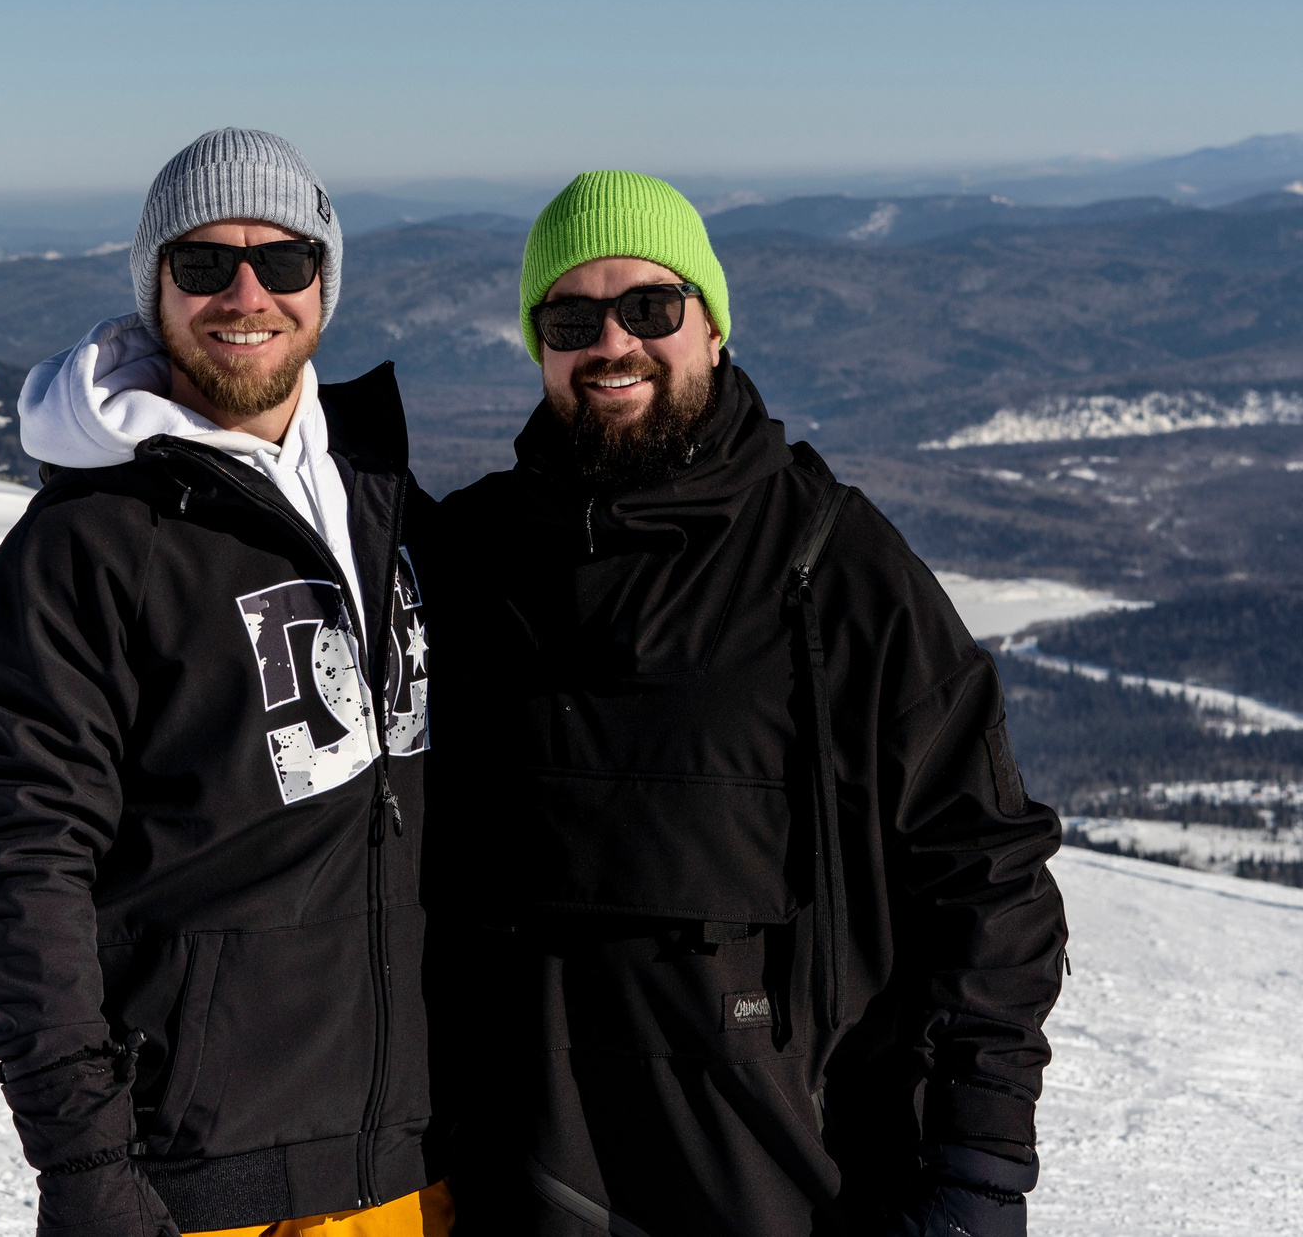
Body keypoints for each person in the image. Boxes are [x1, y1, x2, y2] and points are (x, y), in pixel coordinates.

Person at [431, 171, 1065, 1237]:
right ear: (538, 345)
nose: (612, 343)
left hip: (788, 1180)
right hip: (510, 1185)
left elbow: (986, 870)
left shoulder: (832, 565)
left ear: (713, 327)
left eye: (650, 308)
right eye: (571, 317)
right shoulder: (465, 560)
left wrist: (979, 1162)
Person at [0, 128, 449, 1237]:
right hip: (213, 1183)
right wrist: (85, 1168)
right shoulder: (80, 551)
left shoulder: (384, 500)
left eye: (282, 261)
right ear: (153, 286)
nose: (246, 292)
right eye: (201, 263)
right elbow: (29, 875)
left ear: (323, 283)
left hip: (418, 1161)